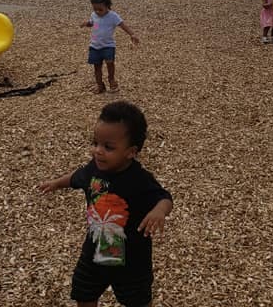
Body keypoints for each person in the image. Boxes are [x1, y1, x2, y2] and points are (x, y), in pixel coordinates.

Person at [38, 101, 173, 307]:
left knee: (137, 300)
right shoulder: (94, 169)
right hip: (94, 251)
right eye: (95, 143)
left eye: (108, 147)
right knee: (83, 292)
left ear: (131, 152)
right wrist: (57, 183)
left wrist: (159, 211)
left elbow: (164, 197)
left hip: (132, 260)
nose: (98, 151)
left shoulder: (139, 179)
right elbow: (77, 177)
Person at [82, 0, 139, 94]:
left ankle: (112, 81)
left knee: (110, 63)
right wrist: (87, 24)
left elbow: (122, 25)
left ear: (107, 6)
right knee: (97, 66)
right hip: (94, 45)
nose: (97, 11)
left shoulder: (113, 16)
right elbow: (93, 23)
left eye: (100, 9)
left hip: (108, 45)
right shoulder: (94, 15)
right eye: (95, 9)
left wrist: (132, 34)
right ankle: (99, 85)